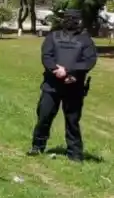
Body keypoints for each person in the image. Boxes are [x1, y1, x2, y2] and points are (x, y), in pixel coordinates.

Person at [28, 9, 97, 162]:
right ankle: (37, 146)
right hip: (52, 85)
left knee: (72, 121)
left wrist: (70, 72)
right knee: (44, 116)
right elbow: (46, 56)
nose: (72, 22)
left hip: (74, 86)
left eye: (74, 19)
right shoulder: (53, 36)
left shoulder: (85, 40)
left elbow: (89, 61)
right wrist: (55, 70)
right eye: (69, 18)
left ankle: (75, 153)